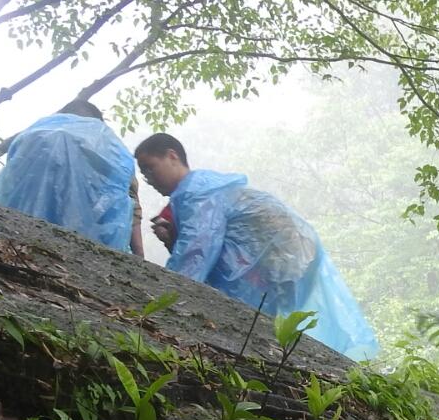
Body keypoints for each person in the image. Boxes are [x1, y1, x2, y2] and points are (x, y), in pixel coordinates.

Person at [133, 133, 378, 361]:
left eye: (150, 168)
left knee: (247, 316)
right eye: (144, 174)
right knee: (262, 322)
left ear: (172, 155)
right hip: (292, 254)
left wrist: (158, 297)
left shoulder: (198, 192)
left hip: (283, 255)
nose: (148, 179)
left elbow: (196, 253)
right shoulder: (203, 188)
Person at [0, 100, 143, 256]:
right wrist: (139, 257)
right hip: (87, 249)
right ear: (97, 122)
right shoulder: (114, 149)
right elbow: (129, 208)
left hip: (16, 236)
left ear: (64, 115)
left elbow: (6, 187)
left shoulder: (34, 134)